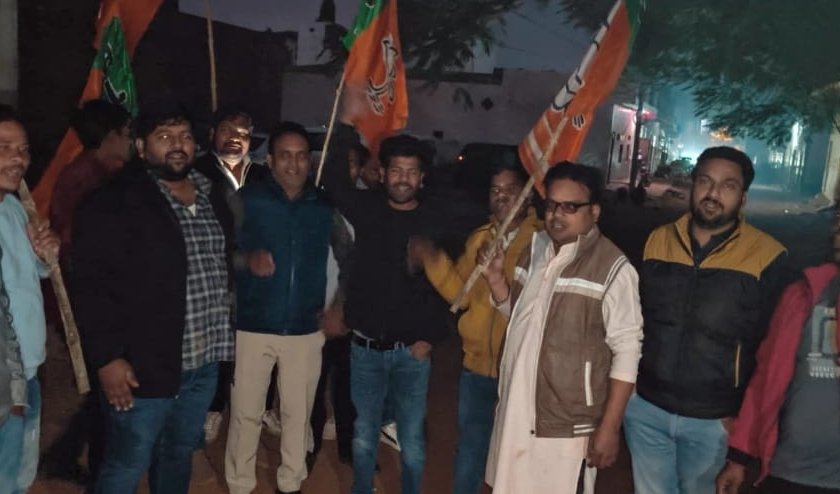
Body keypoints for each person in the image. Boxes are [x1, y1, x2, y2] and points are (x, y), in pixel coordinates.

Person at [72, 103, 235, 494]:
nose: (177, 145)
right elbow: (90, 285)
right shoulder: (114, 201)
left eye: (184, 136)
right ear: (142, 147)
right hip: (143, 365)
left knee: (177, 455)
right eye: (164, 137)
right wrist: (107, 357)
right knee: (126, 463)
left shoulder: (213, 195)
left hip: (204, 361)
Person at [624, 146, 788, 494]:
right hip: (647, 410)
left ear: (743, 198)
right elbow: (632, 320)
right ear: (692, 185)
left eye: (728, 186)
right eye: (705, 181)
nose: (713, 193)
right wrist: (630, 394)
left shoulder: (768, 256)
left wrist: (743, 429)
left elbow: (771, 352)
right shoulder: (657, 240)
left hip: (715, 421)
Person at [482, 162, 643, 494]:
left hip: (567, 426)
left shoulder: (613, 268)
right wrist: (496, 280)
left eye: (570, 207)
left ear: (594, 211)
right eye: (552, 205)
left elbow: (627, 351)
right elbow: (523, 317)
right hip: (517, 410)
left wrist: (609, 428)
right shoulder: (536, 249)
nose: (557, 215)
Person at [321, 114, 455, 493]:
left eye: (411, 172)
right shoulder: (368, 208)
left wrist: (431, 337)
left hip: (412, 353)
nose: (402, 179)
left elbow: (451, 289)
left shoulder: (434, 220)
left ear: (422, 178)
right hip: (365, 348)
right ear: (382, 173)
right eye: (396, 170)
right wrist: (346, 125)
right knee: (364, 434)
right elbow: (334, 182)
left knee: (411, 441)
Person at [224, 121, 346, 494]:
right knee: (246, 413)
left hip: (305, 329)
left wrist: (338, 306)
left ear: (310, 161)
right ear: (271, 160)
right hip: (253, 324)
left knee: (298, 415)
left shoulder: (324, 207)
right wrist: (248, 261)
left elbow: (349, 258)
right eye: (285, 156)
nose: (294, 164)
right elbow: (221, 251)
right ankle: (240, 484)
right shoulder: (246, 200)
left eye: (301, 156)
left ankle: (290, 483)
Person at [407, 161, 541, 494]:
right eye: (495, 190)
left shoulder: (542, 241)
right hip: (477, 367)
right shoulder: (481, 237)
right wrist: (434, 260)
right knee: (470, 449)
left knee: (517, 455)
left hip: (521, 370)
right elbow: (460, 295)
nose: (501, 197)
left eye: (510, 190)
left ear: (527, 196)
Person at [715, 194, 840, 494]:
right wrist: (739, 457)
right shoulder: (802, 295)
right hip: (788, 472)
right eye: (839, 218)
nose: (837, 229)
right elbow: (765, 378)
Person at [41, 98, 131, 488]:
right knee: (88, 391)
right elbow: (81, 250)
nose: (130, 142)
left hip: (84, 301)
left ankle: (64, 459)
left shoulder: (99, 174)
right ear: (111, 136)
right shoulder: (87, 181)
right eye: (126, 134)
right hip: (80, 303)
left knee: (92, 393)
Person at [193, 108, 268, 444]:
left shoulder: (263, 176)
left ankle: (253, 409)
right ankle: (212, 408)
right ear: (212, 134)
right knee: (215, 344)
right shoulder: (197, 173)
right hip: (211, 273)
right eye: (227, 130)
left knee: (252, 345)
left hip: (256, 277)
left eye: (243, 133)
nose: (235, 138)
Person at [0, 105, 60, 494]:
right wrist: (13, 389)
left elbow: (28, 276)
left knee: (19, 480)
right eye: (4, 148)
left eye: (23, 149)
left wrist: (44, 255)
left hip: (29, 369)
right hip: (7, 382)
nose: (18, 158)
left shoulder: (13, 208)